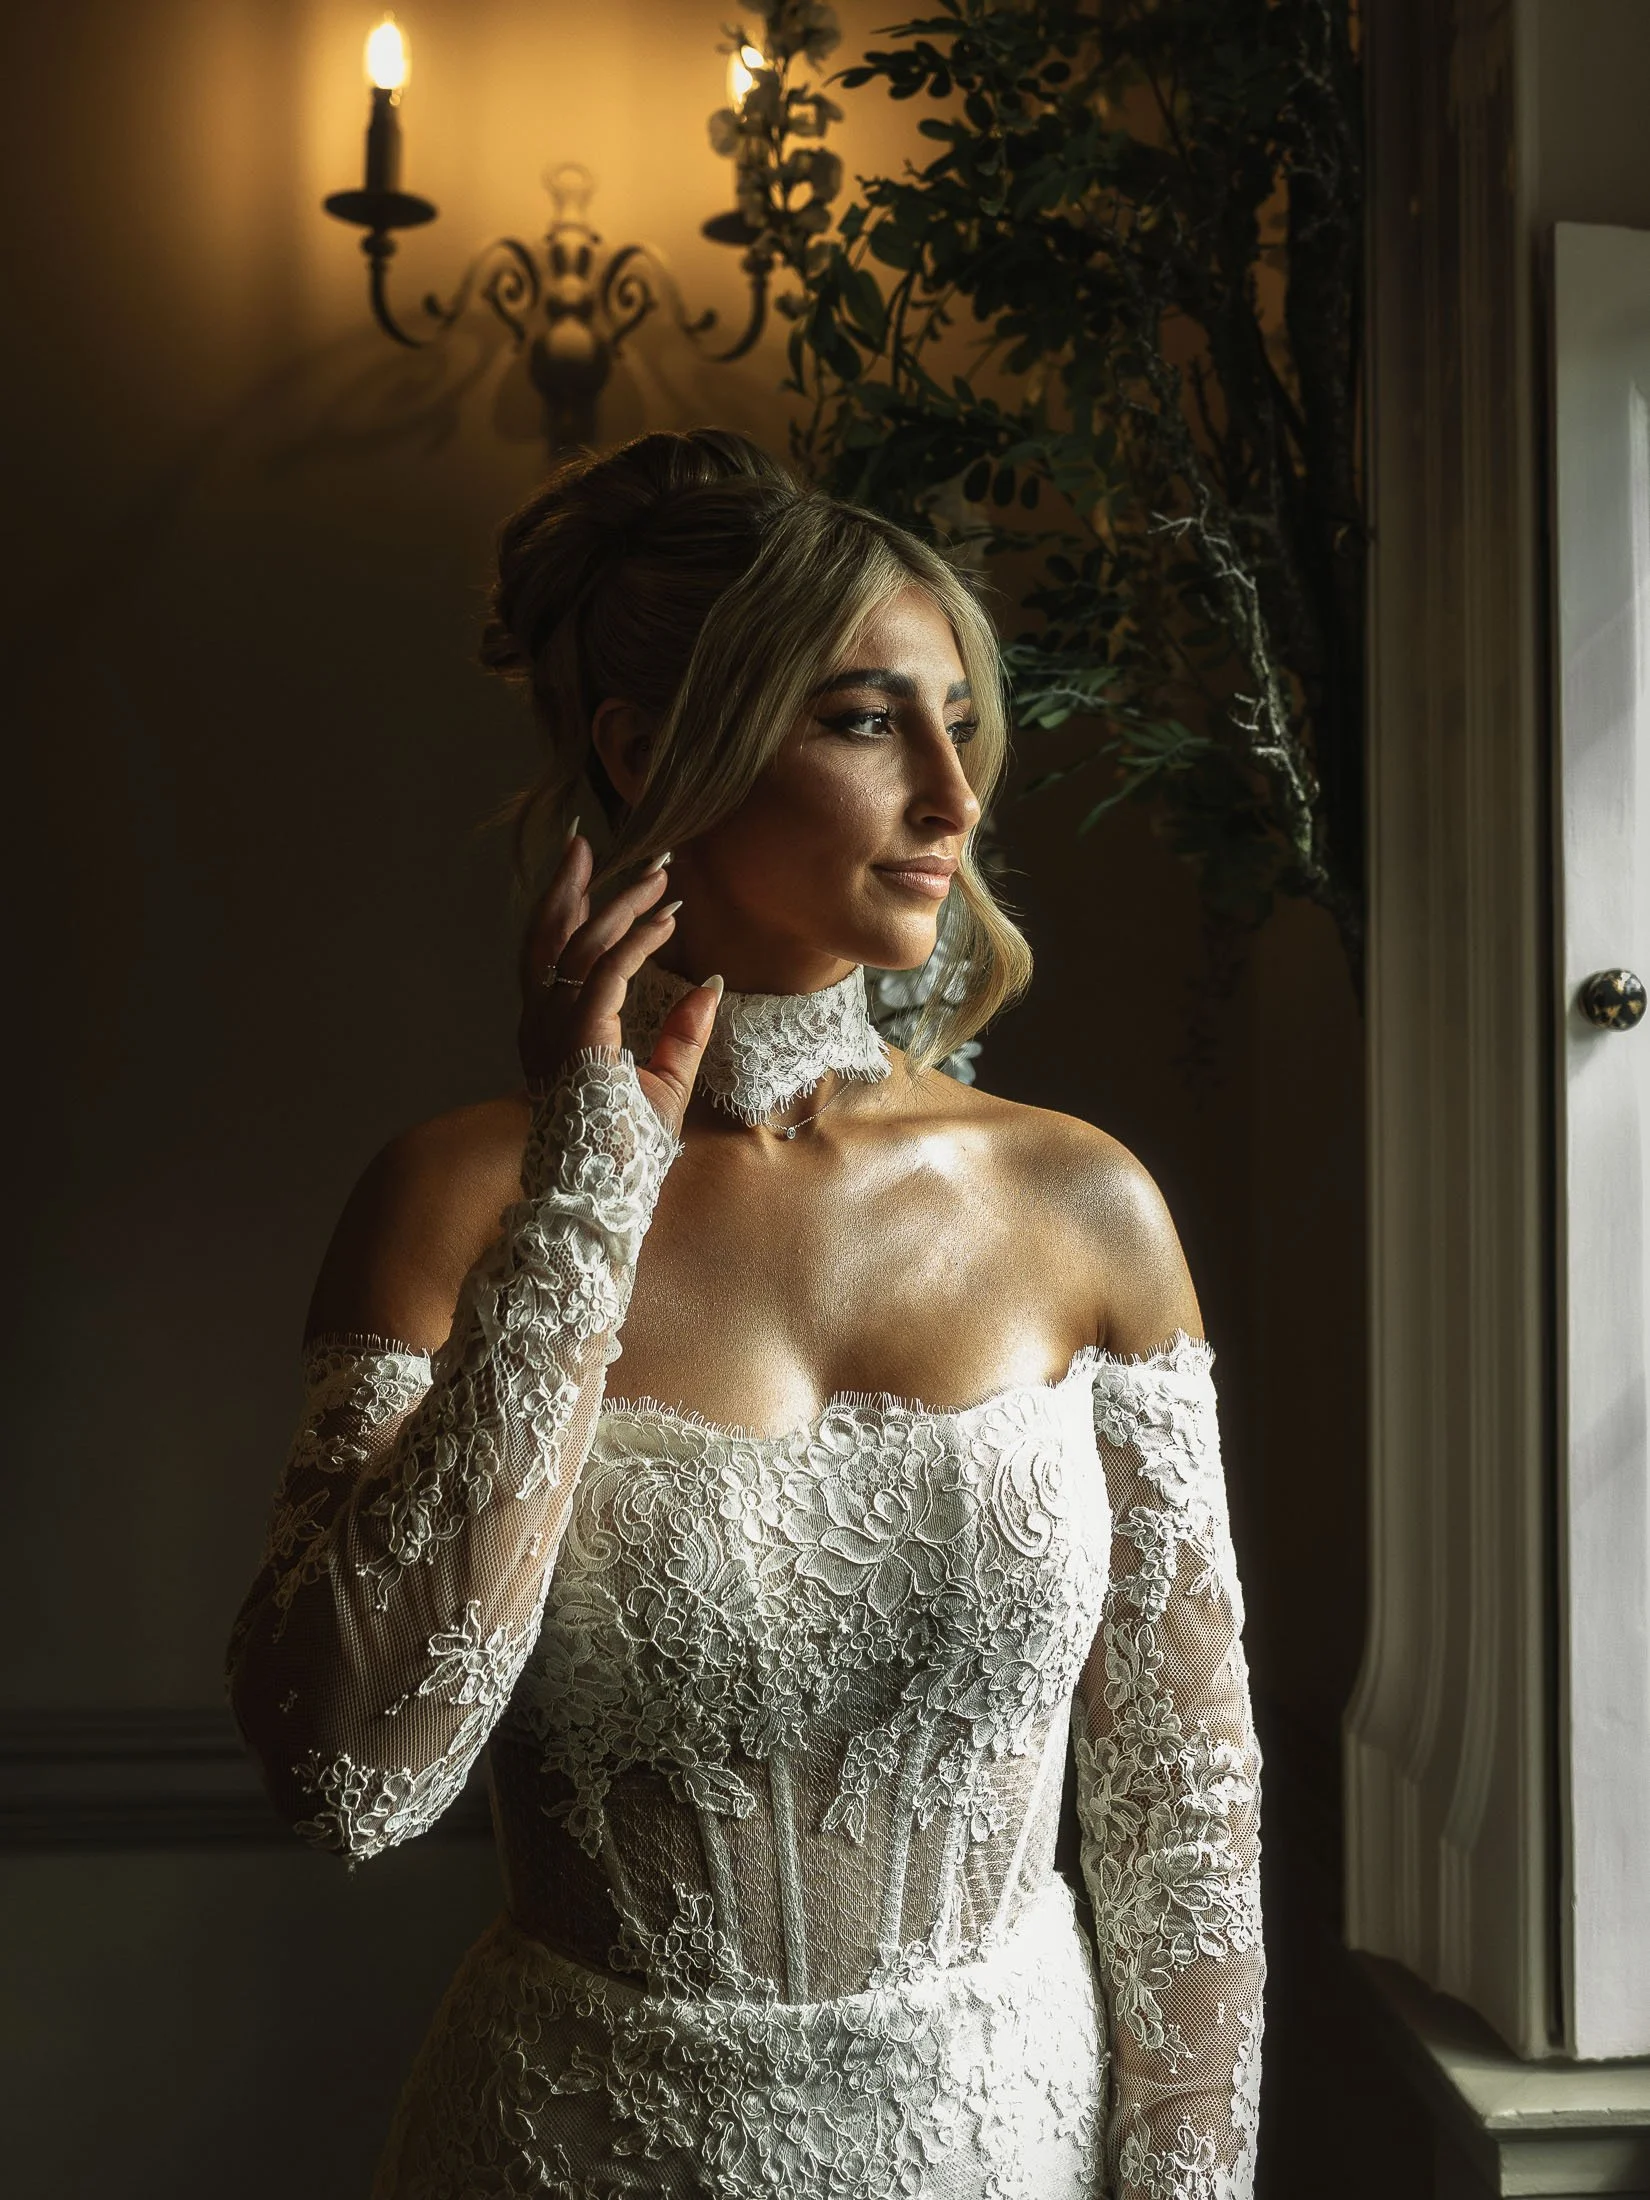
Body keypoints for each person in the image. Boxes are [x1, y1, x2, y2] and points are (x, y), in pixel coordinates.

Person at [225, 427, 1264, 2199]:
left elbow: (1183, 1822)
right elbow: (351, 1781)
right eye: (866, 721)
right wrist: (583, 1194)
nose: (953, 794)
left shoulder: (1080, 1204)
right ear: (648, 753)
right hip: (575, 2148)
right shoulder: (455, 1206)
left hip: (1001, 2145)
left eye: (958, 720)